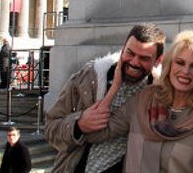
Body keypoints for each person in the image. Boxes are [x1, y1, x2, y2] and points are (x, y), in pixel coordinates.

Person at [84, 30, 193, 172]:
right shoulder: (144, 99)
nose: (185, 72)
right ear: (169, 65)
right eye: (179, 62)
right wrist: (114, 88)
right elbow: (96, 134)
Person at [45, 24, 165, 173]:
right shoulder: (89, 77)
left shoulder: (159, 95)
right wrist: (78, 124)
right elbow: (51, 128)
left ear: (158, 60)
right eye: (130, 53)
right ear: (123, 48)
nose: (134, 62)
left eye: (144, 58)